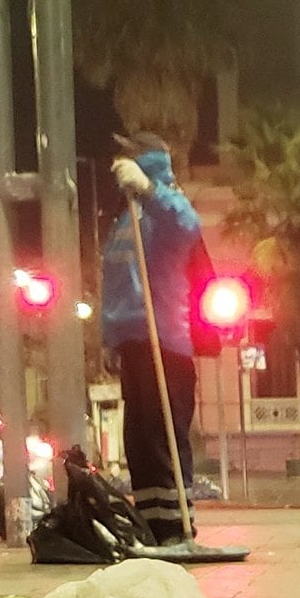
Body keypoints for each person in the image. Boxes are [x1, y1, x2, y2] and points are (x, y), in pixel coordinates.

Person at [101, 131, 203, 546]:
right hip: (133, 342)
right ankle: (151, 523)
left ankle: (177, 526)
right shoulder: (127, 217)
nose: (118, 160)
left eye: (128, 154)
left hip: (165, 340)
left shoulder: (163, 204)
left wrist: (148, 189)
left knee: (164, 437)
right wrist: (110, 337)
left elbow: (187, 227)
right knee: (139, 439)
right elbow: (114, 283)